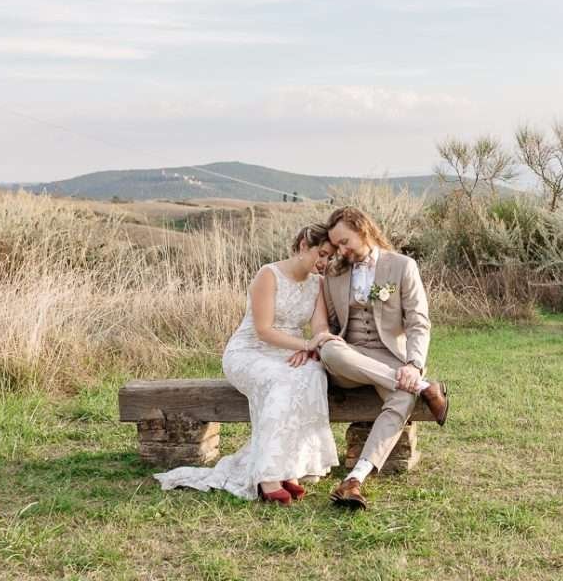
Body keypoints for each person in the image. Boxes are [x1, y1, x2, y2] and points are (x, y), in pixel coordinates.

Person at [154, 224, 342, 504]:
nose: (324, 262)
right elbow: (263, 330)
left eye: (329, 258)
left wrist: (313, 348)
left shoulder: (318, 283)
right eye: (322, 254)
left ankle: (288, 467)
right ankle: (268, 477)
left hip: (288, 351)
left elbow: (319, 325)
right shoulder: (269, 275)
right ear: (304, 245)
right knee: (282, 380)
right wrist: (303, 345)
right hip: (250, 351)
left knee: (313, 374)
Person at [319, 206, 449, 510]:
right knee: (329, 350)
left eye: (344, 242)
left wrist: (414, 364)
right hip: (348, 359)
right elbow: (332, 327)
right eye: (336, 244)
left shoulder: (403, 266)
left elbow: (418, 322)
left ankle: (355, 479)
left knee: (401, 397)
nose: (341, 250)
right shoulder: (333, 274)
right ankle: (423, 388)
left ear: (363, 230)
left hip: (391, 357)